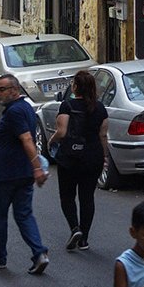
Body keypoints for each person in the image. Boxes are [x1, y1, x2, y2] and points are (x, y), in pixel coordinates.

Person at [0, 73, 50, 275]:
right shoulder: (25, 108)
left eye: (2, 89)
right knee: (24, 214)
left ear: (15, 90)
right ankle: (39, 253)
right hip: (22, 173)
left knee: (0, 216)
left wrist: (37, 167)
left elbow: (27, 139)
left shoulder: (14, 112)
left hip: (8, 175)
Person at [49, 69, 108, 251]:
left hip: (70, 158)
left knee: (67, 196)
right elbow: (103, 135)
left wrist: (51, 142)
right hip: (93, 158)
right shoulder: (100, 108)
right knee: (87, 197)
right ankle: (84, 239)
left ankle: (75, 228)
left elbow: (62, 132)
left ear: (75, 87)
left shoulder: (67, 105)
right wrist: (104, 156)